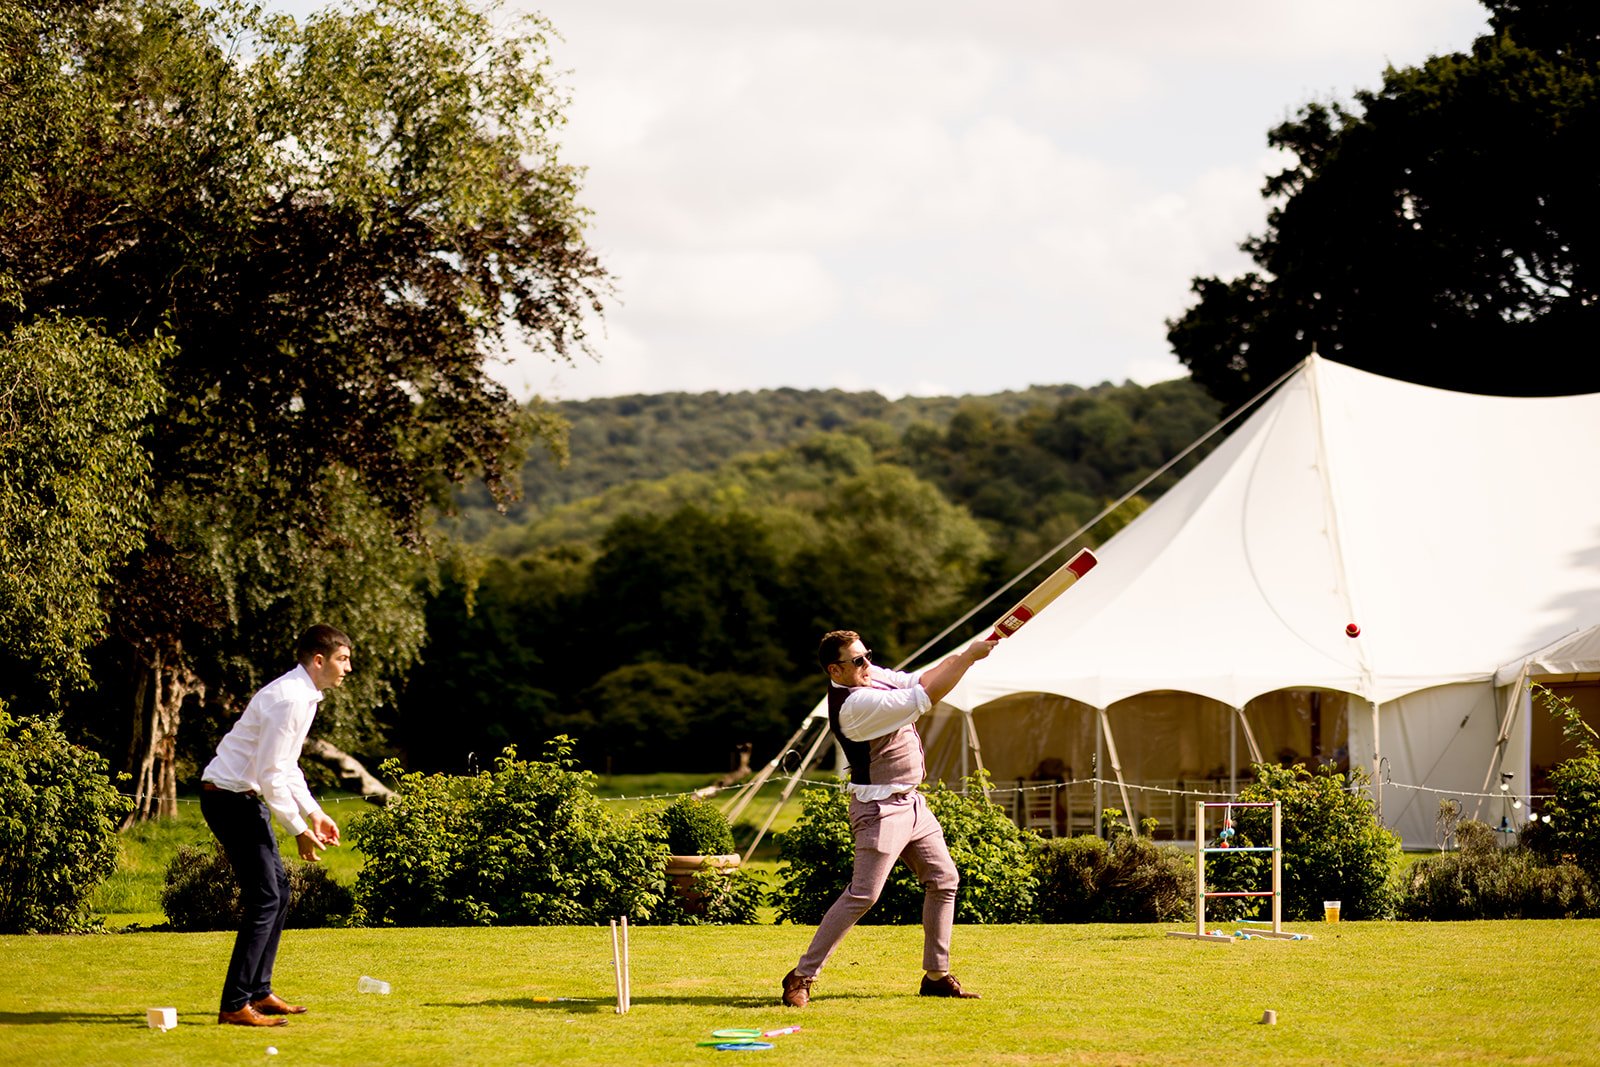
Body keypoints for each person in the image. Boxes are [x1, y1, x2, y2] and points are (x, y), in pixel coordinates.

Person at [781, 630, 998, 1008]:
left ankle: (936, 976)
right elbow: (928, 695)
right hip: (879, 809)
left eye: (867, 655)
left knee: (944, 880)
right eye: (858, 660)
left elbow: (922, 678)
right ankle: (801, 976)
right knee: (863, 894)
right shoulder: (854, 703)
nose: (867, 664)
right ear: (836, 669)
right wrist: (968, 659)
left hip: (912, 803)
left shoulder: (869, 676)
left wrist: (963, 654)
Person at [200, 624, 352, 1027]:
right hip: (229, 799)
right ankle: (235, 1004)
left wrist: (313, 812)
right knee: (266, 897)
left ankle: (259, 992)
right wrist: (299, 829)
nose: (348, 668)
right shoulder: (288, 699)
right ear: (319, 661)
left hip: (240, 799)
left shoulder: (303, 696)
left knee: (278, 893)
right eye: (343, 659)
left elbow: (286, 767)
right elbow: (270, 775)